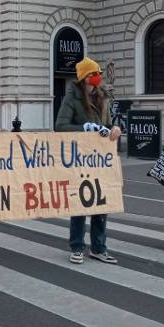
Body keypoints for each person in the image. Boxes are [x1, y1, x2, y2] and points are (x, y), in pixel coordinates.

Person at [55, 57, 121, 265]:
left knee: (101, 204)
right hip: (80, 160)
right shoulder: (71, 99)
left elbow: (109, 125)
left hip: (100, 161)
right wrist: (84, 128)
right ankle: (77, 247)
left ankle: (99, 248)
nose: (97, 77)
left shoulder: (103, 98)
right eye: (93, 74)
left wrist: (115, 130)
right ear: (84, 78)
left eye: (98, 73)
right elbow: (60, 126)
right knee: (80, 204)